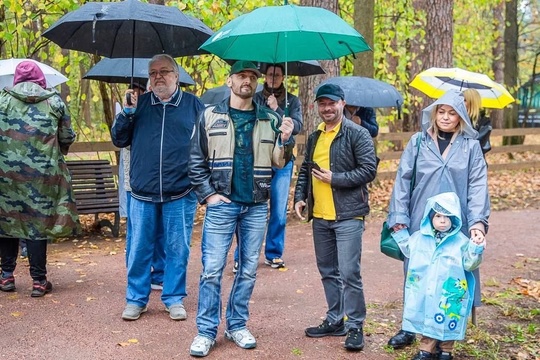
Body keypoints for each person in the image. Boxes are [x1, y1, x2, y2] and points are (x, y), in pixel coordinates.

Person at [188, 60, 294, 357]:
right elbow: (195, 161)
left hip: (256, 206)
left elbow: (279, 162)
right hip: (222, 203)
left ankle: (236, 324)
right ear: (229, 80)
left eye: (252, 77)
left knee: (247, 270)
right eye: (241, 76)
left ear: (257, 83)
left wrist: (286, 139)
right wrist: (208, 195)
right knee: (211, 270)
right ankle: (206, 331)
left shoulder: (271, 119)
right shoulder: (209, 115)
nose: (247, 81)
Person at [386, 90, 490, 352]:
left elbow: (478, 185)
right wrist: (399, 217)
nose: (445, 117)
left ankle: (445, 338)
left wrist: (477, 223)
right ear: (433, 114)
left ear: (460, 116)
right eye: (441, 112)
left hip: (457, 224)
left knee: (452, 277)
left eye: (452, 112)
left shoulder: (471, 146)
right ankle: (412, 328)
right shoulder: (418, 141)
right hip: (422, 221)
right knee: (417, 274)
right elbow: (403, 180)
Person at [111, 54, 204, 321]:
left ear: (176, 75)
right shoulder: (139, 105)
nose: (158, 77)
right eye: (153, 73)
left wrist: (201, 184)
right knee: (139, 248)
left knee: (178, 248)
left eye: (164, 71)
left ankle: (174, 298)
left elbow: (206, 145)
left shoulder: (193, 105)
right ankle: (136, 299)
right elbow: (119, 140)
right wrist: (126, 114)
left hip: (181, 191)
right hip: (143, 191)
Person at [293, 84, 377, 351]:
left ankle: (355, 326)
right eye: (322, 104)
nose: (327, 108)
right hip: (320, 216)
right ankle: (334, 320)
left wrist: (335, 179)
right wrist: (299, 197)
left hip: (349, 215)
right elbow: (306, 170)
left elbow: (368, 170)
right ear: (316, 106)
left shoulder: (357, 133)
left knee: (350, 272)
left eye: (332, 103)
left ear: (342, 103)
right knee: (328, 271)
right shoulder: (315, 135)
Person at [0, 60, 79, 297]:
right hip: (44, 176)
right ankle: (38, 281)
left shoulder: (2, 101)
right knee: (38, 224)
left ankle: (6, 277)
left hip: (6, 176)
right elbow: (66, 137)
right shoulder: (55, 101)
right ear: (39, 79)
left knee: (7, 221)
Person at [391, 192, 485, 360]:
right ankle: (426, 350)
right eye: (438, 216)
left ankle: (446, 351)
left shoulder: (461, 242)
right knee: (427, 318)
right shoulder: (419, 237)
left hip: (449, 293)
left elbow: (470, 264)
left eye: (447, 216)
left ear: (454, 218)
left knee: (449, 319)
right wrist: (400, 233)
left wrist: (475, 248)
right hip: (425, 289)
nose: (442, 221)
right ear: (430, 217)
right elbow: (408, 249)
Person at [231, 63, 303, 271]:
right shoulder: (254, 97)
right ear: (264, 76)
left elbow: (296, 127)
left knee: (278, 210)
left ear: (283, 77)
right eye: (270, 74)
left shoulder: (293, 100)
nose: (273, 78)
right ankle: (242, 255)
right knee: (250, 207)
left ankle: (273, 253)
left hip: (282, 159)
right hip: (257, 158)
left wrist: (277, 109)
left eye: (277, 75)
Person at [117, 81, 165, 291]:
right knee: (136, 233)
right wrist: (128, 113)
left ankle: (159, 273)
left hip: (161, 183)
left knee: (160, 231)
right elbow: (121, 139)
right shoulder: (131, 110)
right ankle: (135, 274)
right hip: (134, 182)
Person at [462, 88, 492, 156]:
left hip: (474, 161)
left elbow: (480, 145)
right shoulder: (456, 118)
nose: (461, 102)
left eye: (465, 100)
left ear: (472, 102)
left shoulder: (484, 122)